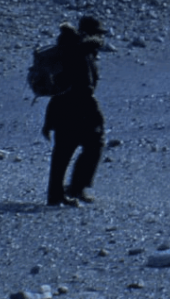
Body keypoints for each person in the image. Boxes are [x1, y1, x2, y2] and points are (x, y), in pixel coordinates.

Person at [41, 16, 107, 207]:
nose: (101, 38)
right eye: (98, 34)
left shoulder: (72, 50)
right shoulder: (81, 52)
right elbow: (84, 88)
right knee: (91, 146)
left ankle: (59, 194)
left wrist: (49, 121)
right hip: (77, 110)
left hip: (62, 109)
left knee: (63, 154)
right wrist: (96, 114)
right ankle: (73, 189)